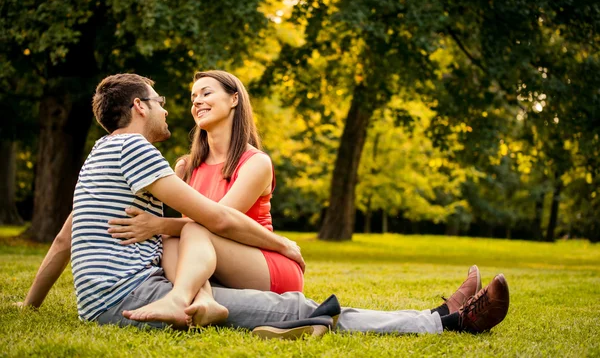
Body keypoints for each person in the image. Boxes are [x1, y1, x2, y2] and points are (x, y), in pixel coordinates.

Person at [17, 73, 510, 336]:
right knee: (295, 308)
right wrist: (283, 242)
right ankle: (446, 320)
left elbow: (65, 237)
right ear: (141, 108)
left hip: (115, 297)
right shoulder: (136, 149)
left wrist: (30, 303)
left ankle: (442, 314)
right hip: (132, 297)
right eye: (164, 100)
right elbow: (211, 219)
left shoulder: (101, 154)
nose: (173, 108)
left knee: (208, 246)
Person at [106, 70, 302, 296]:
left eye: (206, 93)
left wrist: (158, 225)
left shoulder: (255, 163)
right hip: (212, 262)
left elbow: (219, 222)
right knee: (171, 240)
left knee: (188, 231)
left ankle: (182, 298)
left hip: (264, 265)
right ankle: (199, 298)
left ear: (234, 99)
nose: (197, 101)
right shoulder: (185, 167)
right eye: (193, 98)